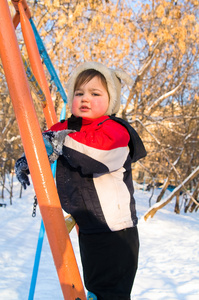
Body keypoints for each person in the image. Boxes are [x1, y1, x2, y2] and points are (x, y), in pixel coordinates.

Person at [15, 62, 146, 300]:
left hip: (116, 232)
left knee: (111, 292)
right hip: (89, 228)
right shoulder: (66, 128)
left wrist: (58, 142)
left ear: (111, 101)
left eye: (95, 93)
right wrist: (28, 159)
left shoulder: (115, 131)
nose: (85, 98)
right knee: (95, 288)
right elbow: (42, 140)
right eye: (79, 93)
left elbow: (96, 154)